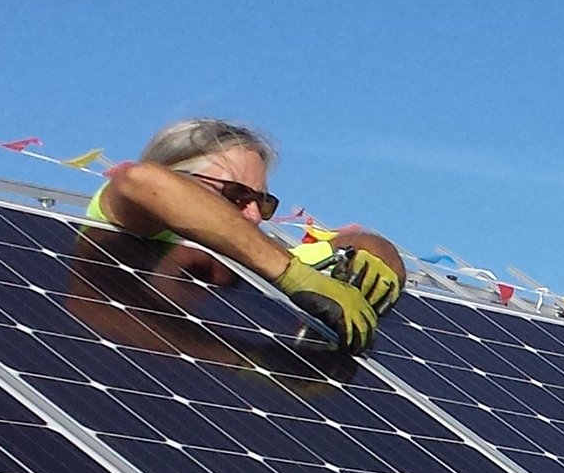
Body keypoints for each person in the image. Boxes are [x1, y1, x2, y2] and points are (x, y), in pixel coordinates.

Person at [82, 118, 403, 354]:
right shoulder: (127, 225)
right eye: (235, 195)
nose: (252, 214)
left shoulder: (263, 257)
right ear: (176, 176)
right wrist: (289, 275)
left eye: (263, 202)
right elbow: (138, 181)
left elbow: (352, 244)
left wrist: (376, 253)